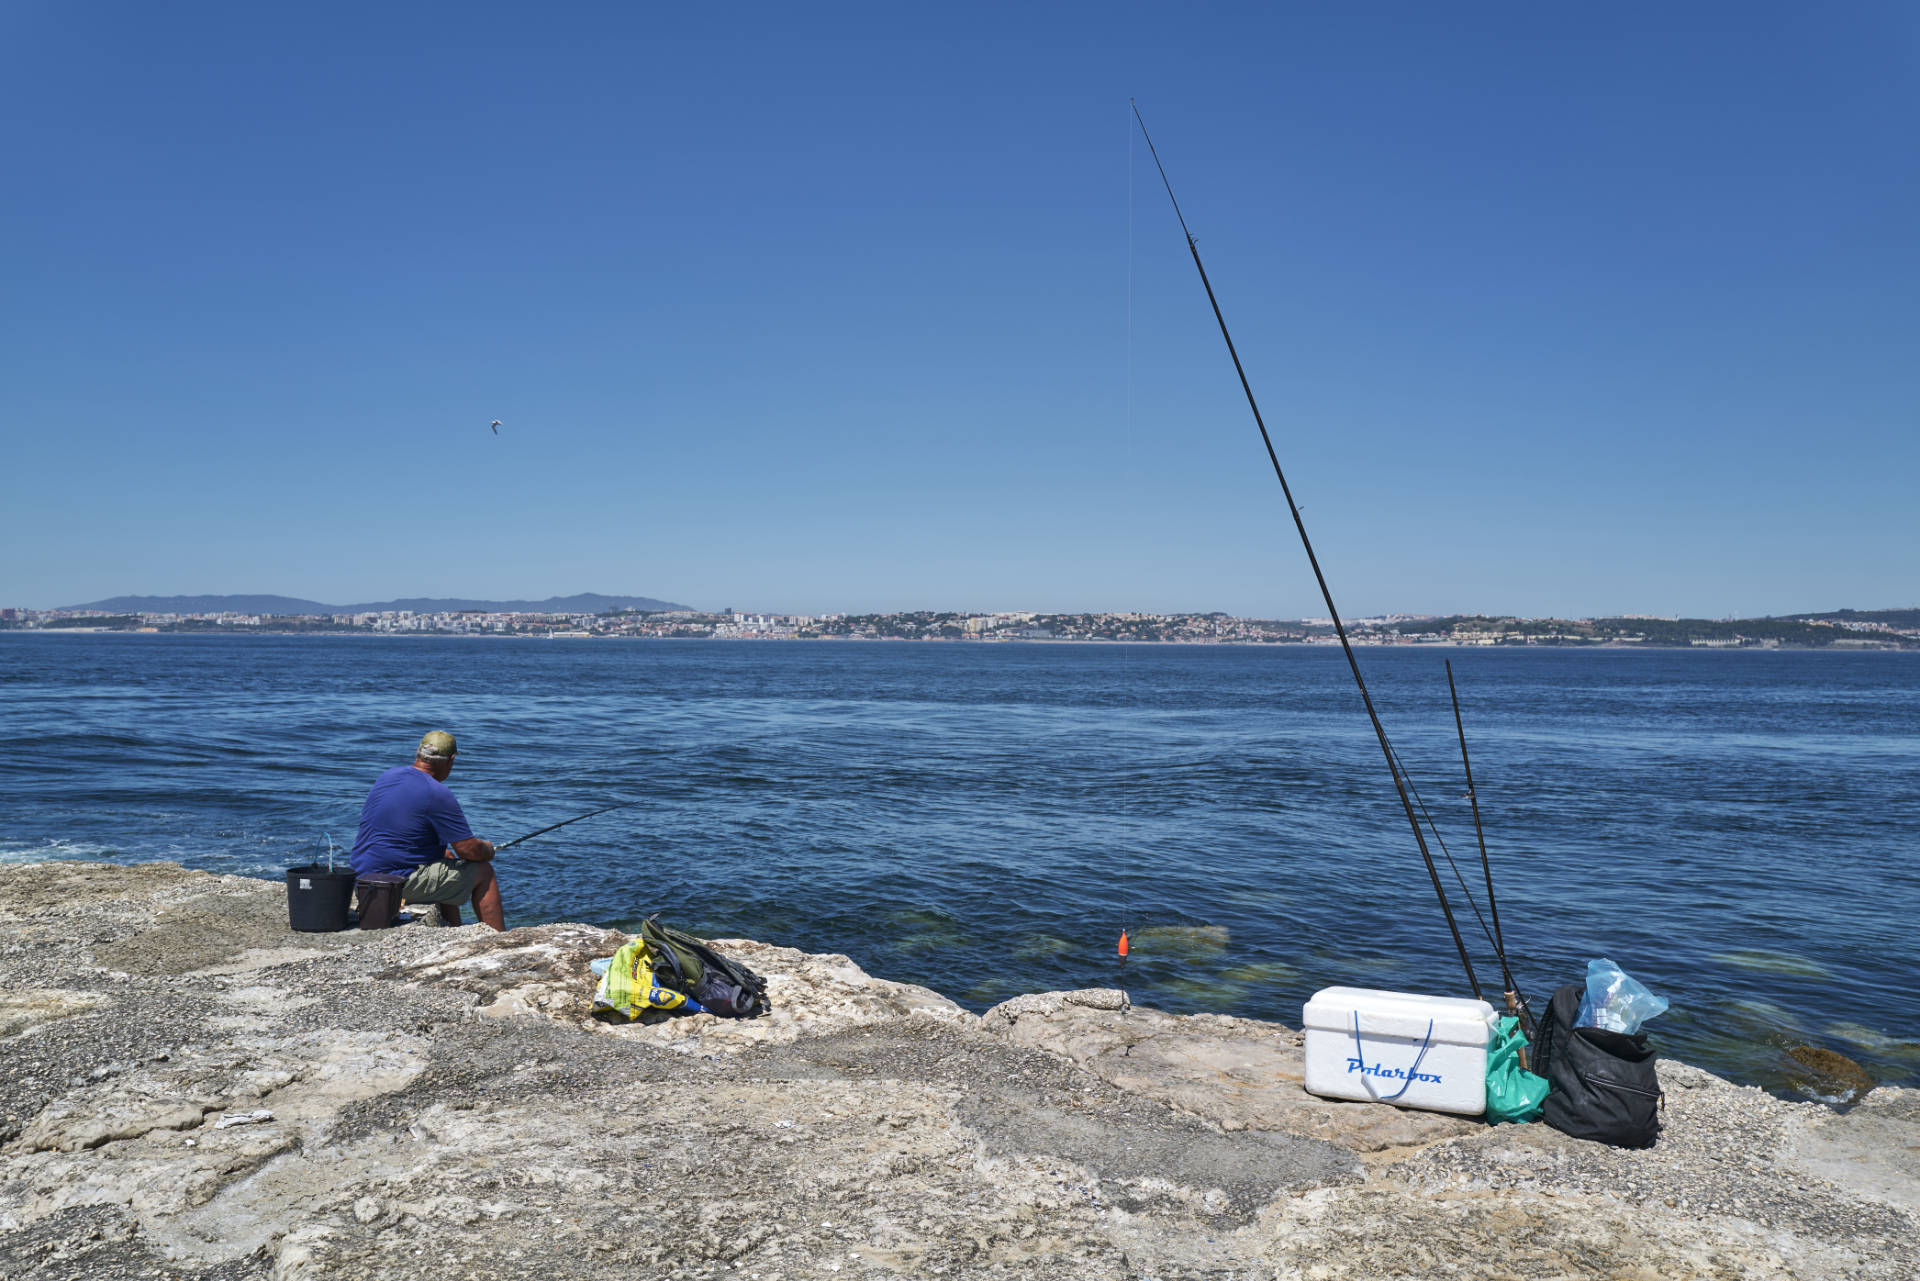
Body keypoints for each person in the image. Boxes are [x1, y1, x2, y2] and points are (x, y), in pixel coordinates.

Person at [349, 730, 505, 929]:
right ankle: (497, 940)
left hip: (362, 876)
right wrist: (487, 849)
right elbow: (468, 850)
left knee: (447, 857)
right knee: (485, 873)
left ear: (418, 753)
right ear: (451, 759)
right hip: (393, 883)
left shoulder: (388, 776)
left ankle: (453, 930)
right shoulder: (437, 793)